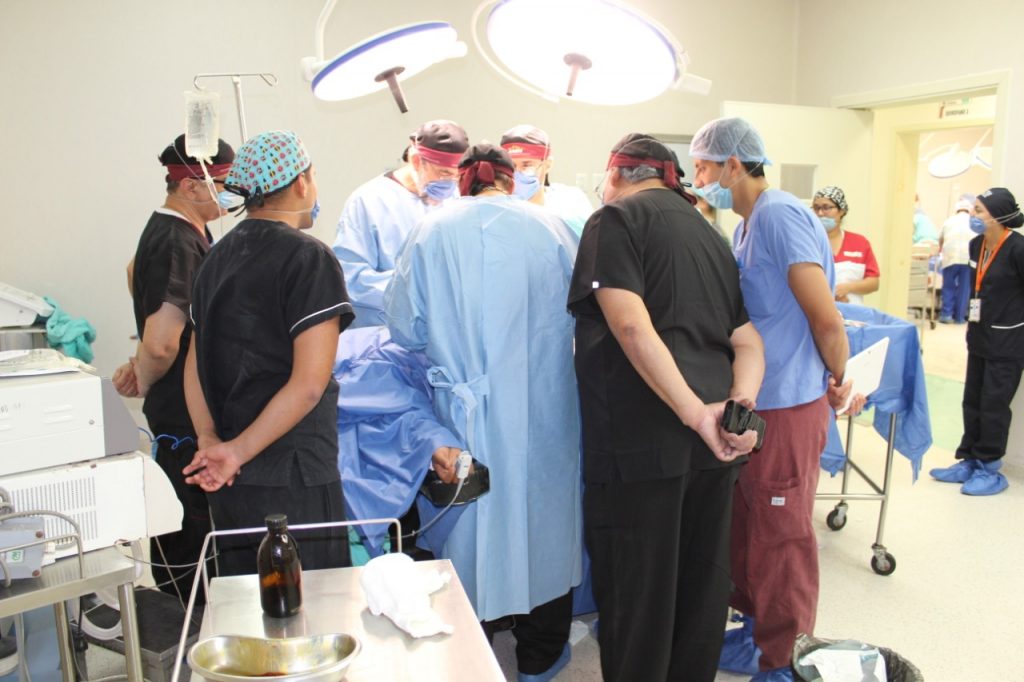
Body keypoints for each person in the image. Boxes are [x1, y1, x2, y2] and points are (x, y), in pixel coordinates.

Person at [568, 133, 764, 682]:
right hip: (716, 446)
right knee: (700, 591)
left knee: (639, 599)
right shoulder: (709, 234)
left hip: (643, 446)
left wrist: (694, 413)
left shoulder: (614, 221)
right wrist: (736, 410)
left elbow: (631, 327)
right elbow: (747, 340)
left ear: (617, 174)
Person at [384, 143, 581, 682]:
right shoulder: (554, 229)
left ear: (463, 180)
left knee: (471, 527)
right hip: (545, 407)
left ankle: (471, 651)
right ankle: (540, 655)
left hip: (464, 409)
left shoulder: (431, 230)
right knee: (544, 522)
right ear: (510, 180)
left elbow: (404, 328)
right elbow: (585, 317)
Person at [689, 117, 860, 682]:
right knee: (749, 526)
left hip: (789, 404)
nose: (698, 179)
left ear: (735, 165)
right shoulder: (748, 224)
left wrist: (839, 375)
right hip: (760, 402)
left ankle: (786, 657)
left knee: (781, 534)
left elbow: (825, 317)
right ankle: (757, 631)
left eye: (704, 167)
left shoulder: (781, 215)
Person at [183, 130, 355, 575]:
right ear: (302, 181)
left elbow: (193, 365)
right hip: (293, 477)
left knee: (247, 603)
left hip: (231, 483)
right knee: (312, 601)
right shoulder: (308, 258)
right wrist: (235, 452)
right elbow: (309, 384)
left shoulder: (215, 258)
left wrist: (210, 441)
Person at [111, 134, 234, 596]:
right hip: (183, 422)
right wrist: (144, 372)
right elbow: (164, 344)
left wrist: (140, 358)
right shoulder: (175, 238)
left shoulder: (178, 229)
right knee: (192, 549)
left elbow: (134, 272)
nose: (232, 194)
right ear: (189, 186)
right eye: (224, 184)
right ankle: (193, 629)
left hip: (185, 410)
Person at [930, 187, 1024, 496]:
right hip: (979, 336)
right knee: (972, 400)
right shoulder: (976, 245)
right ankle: (969, 459)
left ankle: (989, 467)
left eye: (979, 210)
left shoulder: (1018, 249)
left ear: (998, 216)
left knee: (993, 405)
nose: (973, 215)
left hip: (1008, 341)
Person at [333, 120, 468, 328]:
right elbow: (350, 279)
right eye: (444, 173)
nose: (450, 183)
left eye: (457, 176)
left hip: (444, 332)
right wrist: (415, 289)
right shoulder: (369, 201)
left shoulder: (456, 200)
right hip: (383, 333)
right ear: (416, 161)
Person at [500, 124, 594, 236]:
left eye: (527, 165)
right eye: (511, 167)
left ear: (547, 165)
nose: (517, 174)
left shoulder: (571, 204)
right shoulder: (497, 209)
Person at [812, 186, 880, 305]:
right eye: (816, 208)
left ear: (841, 211)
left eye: (826, 207)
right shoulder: (809, 242)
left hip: (852, 310)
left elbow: (874, 283)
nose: (820, 213)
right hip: (817, 309)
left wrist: (847, 288)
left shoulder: (860, 243)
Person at [938, 197, 976, 323]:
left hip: (950, 257)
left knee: (948, 287)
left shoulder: (949, 221)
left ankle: (946, 315)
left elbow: (940, 240)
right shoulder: (973, 222)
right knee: (964, 289)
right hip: (968, 258)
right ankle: (959, 317)